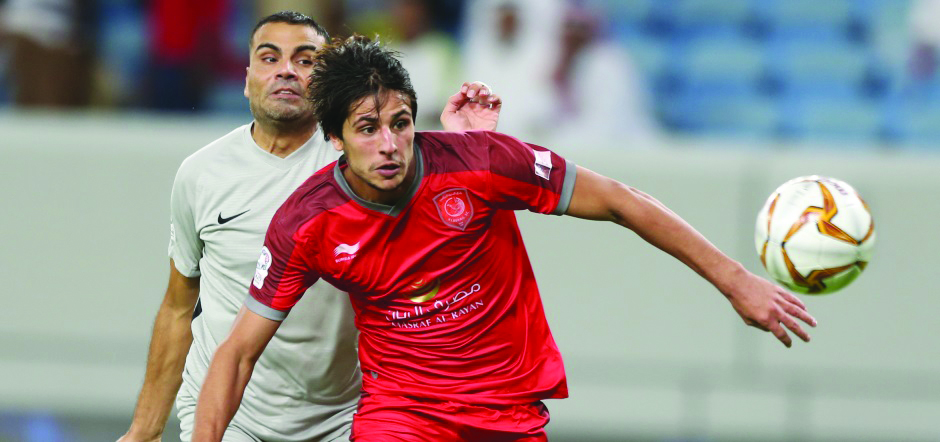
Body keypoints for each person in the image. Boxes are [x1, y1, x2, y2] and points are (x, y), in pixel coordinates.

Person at [192, 35, 817, 442]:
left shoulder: (482, 161)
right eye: (367, 128)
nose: (388, 144)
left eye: (400, 123)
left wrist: (735, 280)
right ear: (333, 138)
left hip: (506, 415)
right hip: (400, 413)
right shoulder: (306, 223)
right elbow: (238, 351)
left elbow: (625, 202)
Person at [119, 12, 503, 442]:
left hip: (342, 415)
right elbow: (178, 307)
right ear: (246, 79)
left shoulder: (366, 161)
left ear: (327, 86)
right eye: (269, 57)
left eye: (304, 60)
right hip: (230, 413)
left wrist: (469, 147)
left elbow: (444, 246)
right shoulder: (201, 174)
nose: (286, 69)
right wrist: (143, 432)